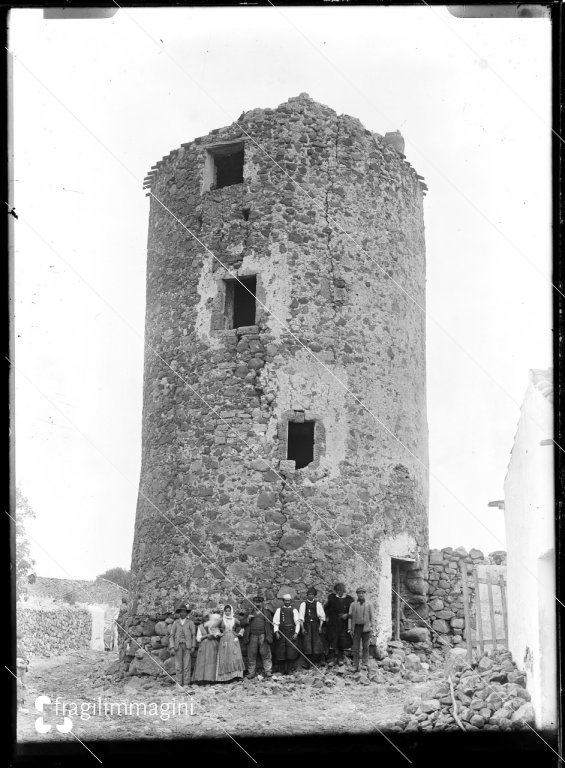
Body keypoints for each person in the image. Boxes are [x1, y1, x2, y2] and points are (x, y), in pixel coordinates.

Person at [242, 595, 273, 679]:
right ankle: (251, 672)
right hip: (252, 635)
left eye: (259, 603)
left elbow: (271, 625)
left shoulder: (266, 613)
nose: (258, 604)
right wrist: (247, 619)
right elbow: (242, 624)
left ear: (262, 603)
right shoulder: (249, 613)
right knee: (251, 654)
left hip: (263, 635)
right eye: (256, 602)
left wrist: (269, 636)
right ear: (253, 603)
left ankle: (268, 671)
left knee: (265, 653)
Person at [324, 583, 354, 664]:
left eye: (341, 590)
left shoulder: (349, 599)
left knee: (342, 639)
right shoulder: (332, 598)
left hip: (344, 623)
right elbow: (326, 608)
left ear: (344, 591)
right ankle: (332, 658)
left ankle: (340, 658)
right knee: (333, 639)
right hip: (333, 623)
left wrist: (347, 615)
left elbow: (353, 611)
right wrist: (327, 617)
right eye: (337, 591)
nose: (339, 592)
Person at [168, 604, 196, 688]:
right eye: (181, 612)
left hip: (187, 646)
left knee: (187, 664)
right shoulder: (176, 623)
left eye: (184, 612)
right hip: (178, 646)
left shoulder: (190, 623)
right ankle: (179, 683)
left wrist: (193, 646)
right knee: (178, 665)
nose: (183, 614)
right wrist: (172, 647)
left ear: (186, 613)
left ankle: (186, 683)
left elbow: (193, 635)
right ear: (179, 613)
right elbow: (171, 635)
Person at [273, 594, 301, 675]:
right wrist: (276, 632)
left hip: (291, 632)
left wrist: (296, 633)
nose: (287, 602)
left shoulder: (294, 610)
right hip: (281, 632)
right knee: (281, 650)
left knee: (291, 650)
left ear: (291, 601)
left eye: (289, 600)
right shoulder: (279, 610)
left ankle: (289, 670)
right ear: (283, 601)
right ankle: (281, 670)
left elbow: (297, 623)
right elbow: (275, 622)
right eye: (285, 600)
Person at [348, 587, 374, 671]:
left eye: (362, 593)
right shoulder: (353, 604)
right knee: (355, 647)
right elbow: (350, 617)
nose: (361, 594)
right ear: (357, 594)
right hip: (356, 627)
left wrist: (372, 627)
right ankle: (355, 664)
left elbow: (372, 617)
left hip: (366, 628)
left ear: (364, 594)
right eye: (359, 593)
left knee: (366, 646)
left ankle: (365, 664)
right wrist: (349, 628)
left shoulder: (369, 604)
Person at [298, 587, 327, 667]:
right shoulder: (303, 604)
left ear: (314, 596)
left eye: (312, 595)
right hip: (307, 625)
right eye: (309, 594)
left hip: (315, 625)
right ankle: (308, 663)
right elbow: (301, 617)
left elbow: (321, 617)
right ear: (307, 595)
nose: (311, 596)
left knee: (318, 642)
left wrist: (320, 627)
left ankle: (321, 661)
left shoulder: (318, 604)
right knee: (307, 643)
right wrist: (302, 628)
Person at [216, 604, 245, 682]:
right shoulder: (222, 620)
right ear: (224, 611)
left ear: (231, 611)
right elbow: (213, 627)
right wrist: (219, 634)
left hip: (233, 639)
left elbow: (243, 626)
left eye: (229, 611)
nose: (227, 612)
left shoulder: (234, 619)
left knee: (235, 655)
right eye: (226, 611)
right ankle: (226, 677)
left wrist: (239, 633)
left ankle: (237, 675)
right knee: (225, 656)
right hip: (224, 640)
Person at [192, 612, 221, 684]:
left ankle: (211, 679)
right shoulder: (200, 627)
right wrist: (205, 636)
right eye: (205, 617)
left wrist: (214, 636)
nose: (206, 619)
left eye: (208, 617)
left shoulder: (213, 625)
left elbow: (218, 634)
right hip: (204, 646)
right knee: (202, 662)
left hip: (212, 646)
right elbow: (198, 638)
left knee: (212, 662)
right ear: (203, 618)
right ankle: (201, 679)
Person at [16, 633, 29, 713]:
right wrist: (18, 662)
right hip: (16, 667)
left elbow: (25, 656)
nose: (20, 641)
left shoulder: (21, 646)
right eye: (19, 639)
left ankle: (23, 701)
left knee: (24, 684)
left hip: (23, 668)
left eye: (21, 639)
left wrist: (26, 662)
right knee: (18, 685)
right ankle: (19, 706)